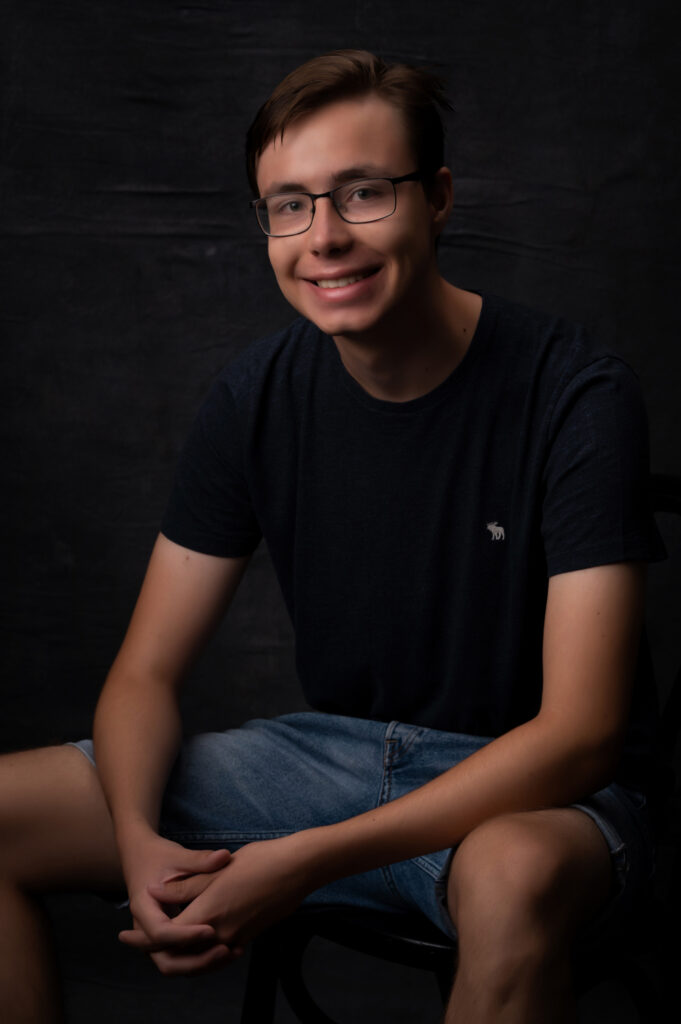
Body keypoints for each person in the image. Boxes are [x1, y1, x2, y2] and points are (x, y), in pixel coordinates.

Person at [0, 49, 664, 1023]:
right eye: (290, 204)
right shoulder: (255, 398)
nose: (325, 237)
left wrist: (305, 858)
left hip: (541, 794)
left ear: (437, 198)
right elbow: (144, 673)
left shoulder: (574, 392)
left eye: (363, 193)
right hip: (332, 763)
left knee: (512, 874)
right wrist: (138, 840)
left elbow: (581, 734)